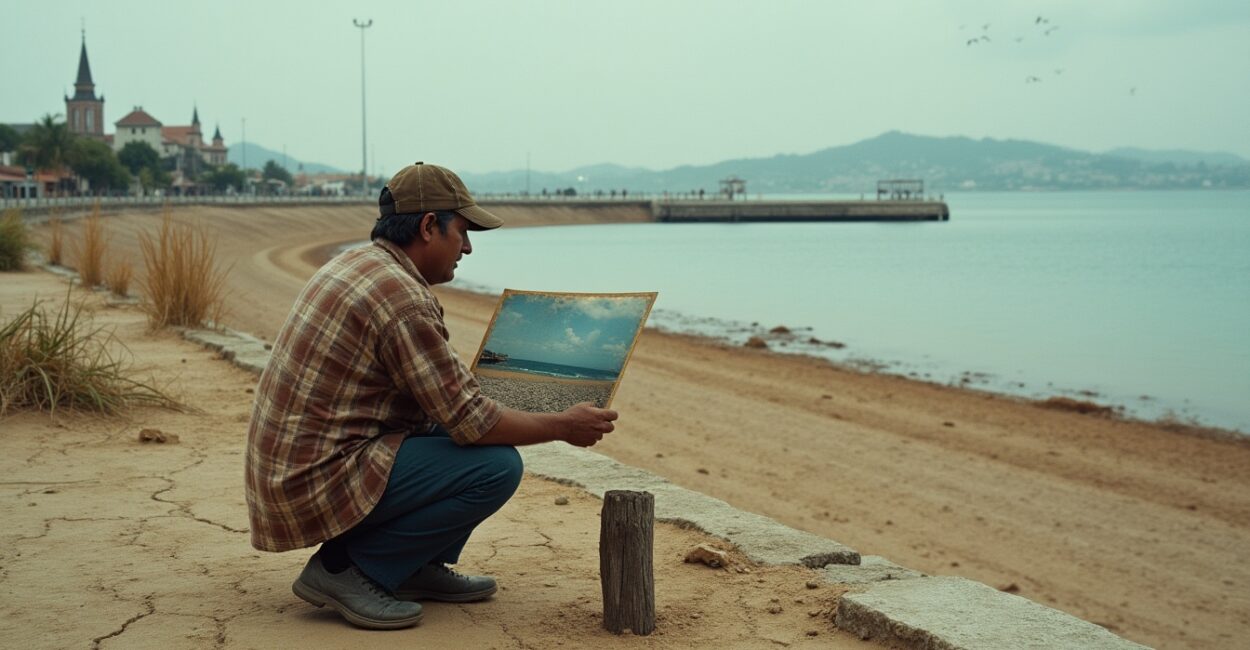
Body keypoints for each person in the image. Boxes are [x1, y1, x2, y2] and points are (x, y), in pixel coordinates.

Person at [245, 161, 619, 630]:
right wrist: (563, 426)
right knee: (495, 467)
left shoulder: (363, 264)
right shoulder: (400, 298)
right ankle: (347, 569)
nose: (466, 247)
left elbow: (446, 399)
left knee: (469, 434)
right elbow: (472, 421)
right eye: (462, 231)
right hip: (312, 482)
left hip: (296, 469)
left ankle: (411, 565)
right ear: (427, 226)